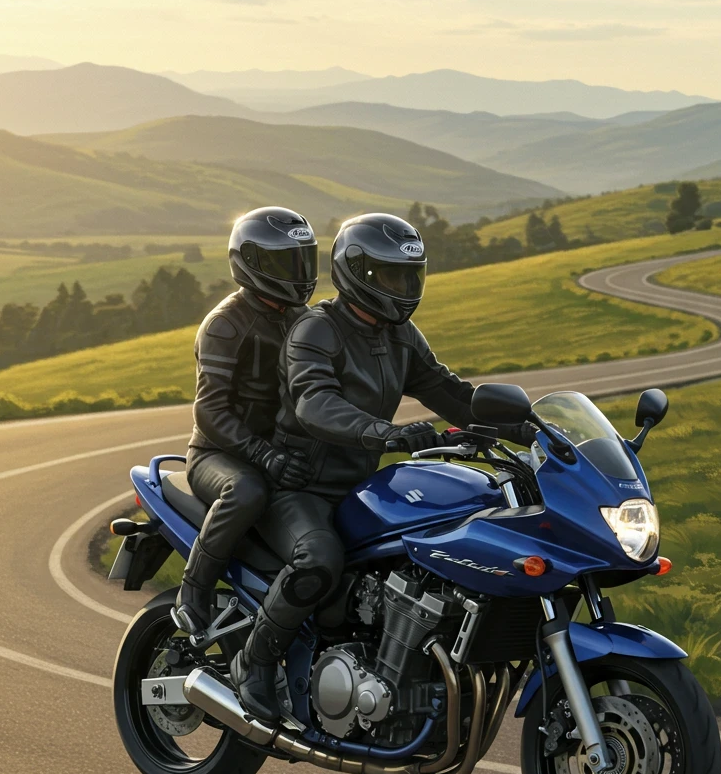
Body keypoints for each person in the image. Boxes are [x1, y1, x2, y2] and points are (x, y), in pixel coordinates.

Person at [231, 211, 536, 719]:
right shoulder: (316, 329)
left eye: (409, 275)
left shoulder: (401, 336)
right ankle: (253, 662)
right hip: (299, 487)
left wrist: (532, 427)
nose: (403, 286)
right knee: (319, 560)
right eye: (391, 275)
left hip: (359, 487)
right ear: (359, 274)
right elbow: (314, 403)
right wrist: (388, 432)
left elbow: (450, 392)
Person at [174, 206, 318, 636]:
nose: (298, 271)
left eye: (302, 259)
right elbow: (210, 411)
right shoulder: (224, 324)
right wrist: (265, 457)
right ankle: (194, 587)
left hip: (278, 452)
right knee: (246, 490)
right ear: (251, 262)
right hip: (218, 456)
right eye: (285, 262)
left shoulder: (303, 319)